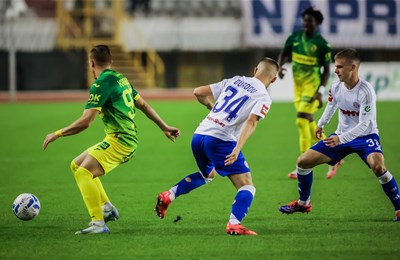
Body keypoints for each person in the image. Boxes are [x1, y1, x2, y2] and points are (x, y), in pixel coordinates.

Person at [43, 45, 180, 234]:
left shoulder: (101, 84)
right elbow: (144, 105)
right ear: (111, 62)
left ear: (91, 63)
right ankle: (107, 209)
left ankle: (98, 224)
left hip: (121, 141)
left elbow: (86, 121)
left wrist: (56, 134)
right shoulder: (121, 78)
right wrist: (164, 126)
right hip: (121, 138)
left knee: (84, 173)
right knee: (76, 165)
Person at [155, 58, 280, 235]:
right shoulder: (264, 96)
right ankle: (234, 224)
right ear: (274, 80)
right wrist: (237, 148)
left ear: (254, 70)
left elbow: (198, 92)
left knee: (208, 174)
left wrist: (211, 108)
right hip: (221, 141)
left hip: (199, 135)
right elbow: (252, 122)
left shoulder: (235, 80)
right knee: (247, 186)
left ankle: (169, 195)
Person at [279, 48, 400, 222]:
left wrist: (340, 139)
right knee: (303, 162)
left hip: (365, 138)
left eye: (340, 67)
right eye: (335, 66)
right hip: (340, 137)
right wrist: (321, 123)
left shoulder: (365, 91)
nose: (335, 70)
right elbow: (331, 106)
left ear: (353, 67)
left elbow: (364, 124)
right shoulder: (336, 87)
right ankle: (304, 202)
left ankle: (399, 209)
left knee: (378, 167)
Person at [277, 6, 342, 179]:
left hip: (312, 87)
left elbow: (327, 70)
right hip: (298, 87)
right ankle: (334, 155)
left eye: (310, 21)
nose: (306, 23)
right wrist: (281, 66)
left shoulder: (322, 44)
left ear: (317, 23)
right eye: (305, 20)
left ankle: (303, 163)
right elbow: (284, 53)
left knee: (300, 121)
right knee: (310, 124)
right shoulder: (295, 38)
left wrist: (320, 91)